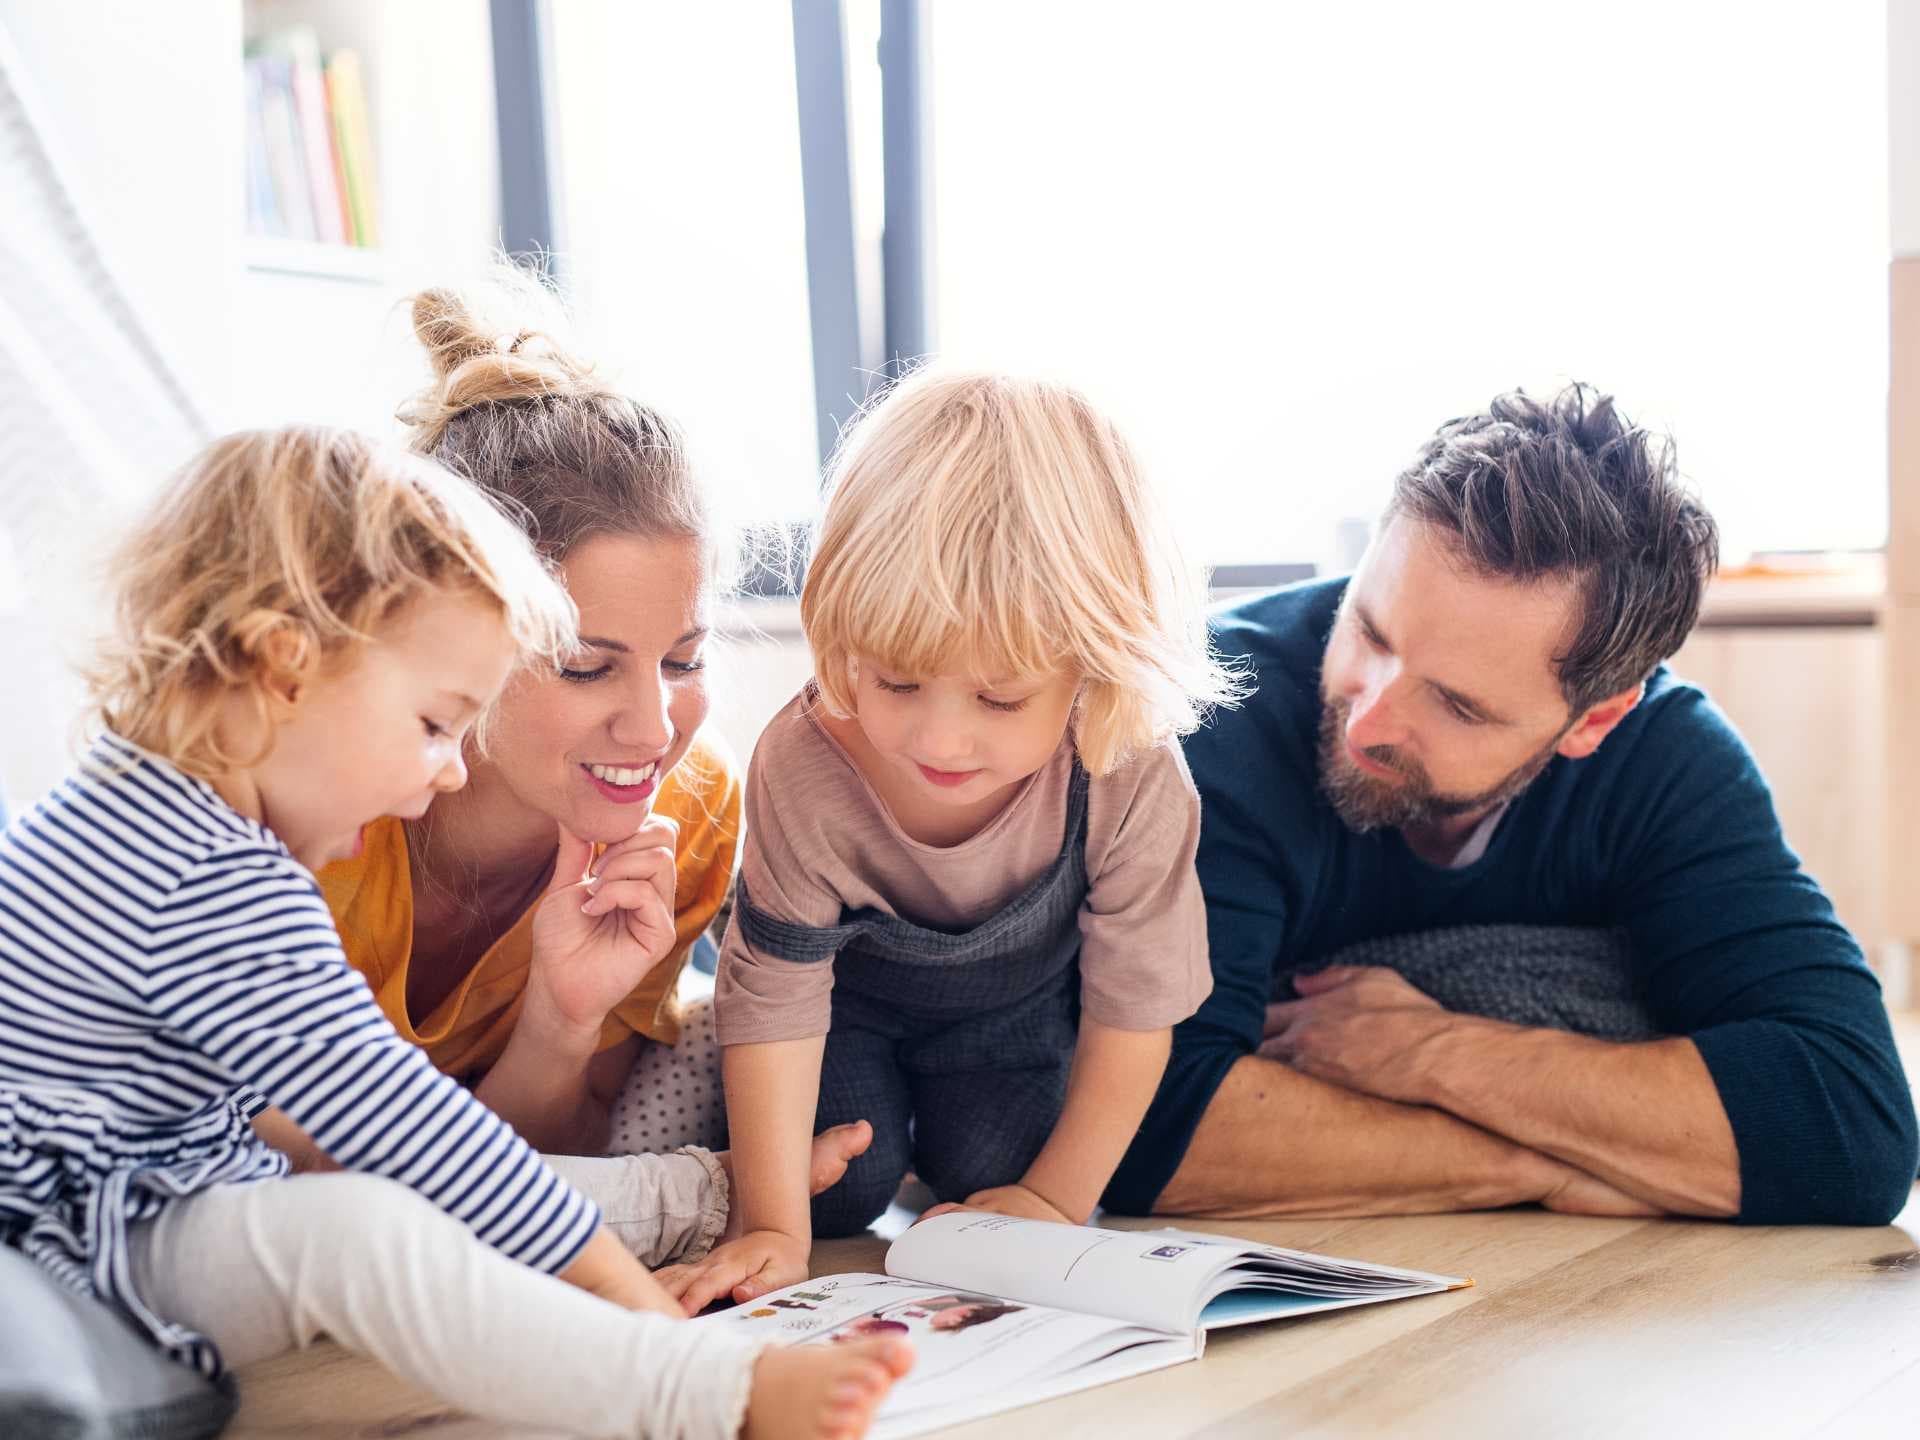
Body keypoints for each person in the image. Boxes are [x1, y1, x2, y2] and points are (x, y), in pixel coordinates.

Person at [0, 426, 912, 1439]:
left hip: (135, 1203)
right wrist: (654, 1322)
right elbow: (407, 1131)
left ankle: (707, 1201)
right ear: (283, 670)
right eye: (436, 726)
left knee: (444, 1192)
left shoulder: (130, 806)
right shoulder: (208, 876)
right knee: (360, 1232)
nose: (446, 770)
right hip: (70, 1250)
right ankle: (700, 1397)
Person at [1105, 384, 1918, 1227]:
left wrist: (1431, 1053)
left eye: (1457, 705)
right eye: (1371, 633)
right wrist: (1537, 1165)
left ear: (1593, 720)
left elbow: (1852, 1129)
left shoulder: (1668, 763)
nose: (1370, 718)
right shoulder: (1208, 713)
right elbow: (1141, 1128)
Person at [249, 269, 871, 1260]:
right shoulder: (319, 815)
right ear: (458, 640)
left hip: (502, 1179)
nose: (654, 725)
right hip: (302, 1187)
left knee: (746, 1040)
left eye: (685, 660)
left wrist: (559, 1021)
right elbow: (302, 1175)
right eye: (586, 667)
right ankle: (699, 1194)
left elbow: (546, 1152)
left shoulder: (693, 800)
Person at [665, 370, 1241, 1313]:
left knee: (998, 1170)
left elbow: (1136, 1010)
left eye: (1000, 699)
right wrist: (770, 1225)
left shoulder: (1130, 767)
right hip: (846, 1013)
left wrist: (1056, 1200)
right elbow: (774, 1003)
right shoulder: (804, 763)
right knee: (840, 1187)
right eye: (895, 683)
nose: (938, 740)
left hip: (1014, 1019)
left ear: (1094, 670)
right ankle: (872, 1161)